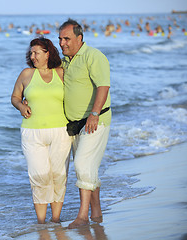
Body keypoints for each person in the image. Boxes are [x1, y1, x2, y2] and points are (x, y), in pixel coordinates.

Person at [11, 37, 71, 224]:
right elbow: (14, 97)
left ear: (48, 53)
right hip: (32, 133)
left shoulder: (61, 73)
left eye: (36, 52)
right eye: (31, 53)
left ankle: (55, 220)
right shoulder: (26, 74)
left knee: (58, 176)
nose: (32, 56)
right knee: (39, 176)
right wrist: (21, 106)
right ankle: (41, 222)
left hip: (61, 131)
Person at [58, 18, 111, 229]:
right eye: (60, 38)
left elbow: (103, 86)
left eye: (67, 39)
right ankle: (96, 210)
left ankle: (83, 216)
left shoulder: (94, 56)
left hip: (95, 120)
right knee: (88, 168)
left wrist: (94, 113)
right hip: (73, 125)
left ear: (80, 38)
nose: (62, 43)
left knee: (81, 164)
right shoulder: (65, 61)